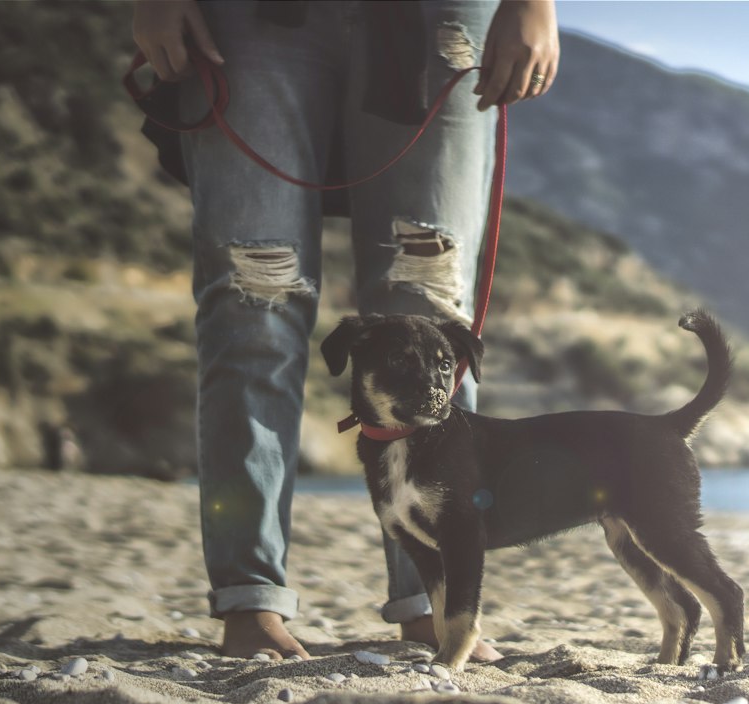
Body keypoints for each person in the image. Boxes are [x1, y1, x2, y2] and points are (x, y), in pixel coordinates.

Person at [133, 0, 559, 660]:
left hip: (439, 17)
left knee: (432, 313)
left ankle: (434, 609)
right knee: (252, 305)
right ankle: (249, 601)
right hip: (242, 19)